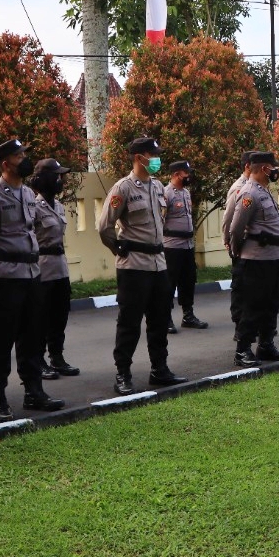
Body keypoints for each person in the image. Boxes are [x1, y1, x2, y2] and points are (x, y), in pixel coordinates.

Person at [0, 139, 65, 422]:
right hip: (3, 278)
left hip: (31, 275)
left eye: (24, 154)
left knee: (32, 337)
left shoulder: (27, 194)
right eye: (18, 156)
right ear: (5, 164)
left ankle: (34, 392)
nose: (24, 159)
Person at [97, 137, 189, 395]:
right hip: (133, 265)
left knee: (159, 321)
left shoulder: (158, 187)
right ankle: (123, 374)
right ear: (139, 157)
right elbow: (104, 226)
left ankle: (159, 369)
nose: (157, 159)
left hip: (158, 264)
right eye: (153, 155)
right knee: (129, 323)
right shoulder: (123, 188)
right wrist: (117, 249)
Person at [228, 151, 279, 366]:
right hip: (256, 260)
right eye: (273, 167)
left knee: (270, 304)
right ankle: (243, 350)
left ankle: (266, 345)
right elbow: (236, 228)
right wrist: (237, 251)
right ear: (264, 168)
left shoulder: (264, 191)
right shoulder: (249, 193)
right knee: (253, 305)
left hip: (273, 257)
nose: (276, 171)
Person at [31, 158, 79, 379]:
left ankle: (57, 358)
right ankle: (38, 361)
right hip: (42, 268)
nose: (60, 180)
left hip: (60, 267)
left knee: (60, 316)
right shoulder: (33, 207)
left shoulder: (58, 205)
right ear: (44, 179)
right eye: (56, 176)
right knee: (40, 318)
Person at [163, 160, 208, 334]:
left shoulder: (186, 193)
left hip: (187, 246)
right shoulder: (166, 194)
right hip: (172, 246)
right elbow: (160, 220)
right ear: (176, 174)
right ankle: (165, 318)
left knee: (188, 281)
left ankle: (188, 316)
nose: (189, 176)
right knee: (169, 283)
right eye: (186, 173)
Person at [222, 152, 255, 341]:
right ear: (247, 166)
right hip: (241, 245)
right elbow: (229, 218)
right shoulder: (239, 188)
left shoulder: (257, 186)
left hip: (254, 248)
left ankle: (254, 325)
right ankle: (239, 326)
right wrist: (228, 241)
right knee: (240, 287)